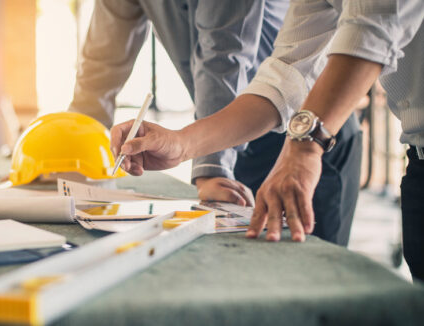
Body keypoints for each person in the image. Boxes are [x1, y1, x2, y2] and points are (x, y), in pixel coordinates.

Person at [110, 1, 424, 281]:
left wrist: (303, 148)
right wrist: (182, 143)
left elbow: (373, 30)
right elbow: (285, 76)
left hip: (327, 141)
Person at [69, 0, 363, 246]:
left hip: (310, 134)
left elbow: (223, 56)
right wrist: (72, 149)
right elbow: (101, 63)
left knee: (311, 284)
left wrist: (212, 168)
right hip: (228, 134)